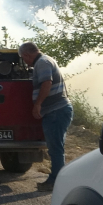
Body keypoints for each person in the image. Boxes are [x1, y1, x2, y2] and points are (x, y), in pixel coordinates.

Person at [18, 42, 73, 192]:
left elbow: (46, 83)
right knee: (56, 147)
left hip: (56, 111)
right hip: (58, 110)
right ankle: (57, 179)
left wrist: (38, 104)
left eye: (23, 58)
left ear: (26, 55)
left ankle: (56, 181)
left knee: (55, 148)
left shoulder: (42, 63)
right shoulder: (46, 60)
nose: (25, 62)